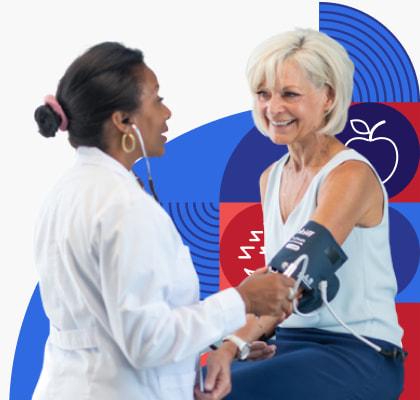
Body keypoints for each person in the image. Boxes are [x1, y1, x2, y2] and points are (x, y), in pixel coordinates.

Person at [32, 42, 296, 400]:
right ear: (124, 121)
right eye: (157, 99)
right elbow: (146, 340)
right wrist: (242, 300)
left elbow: (111, 328)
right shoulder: (123, 205)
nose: (167, 112)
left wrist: (213, 352)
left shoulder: (65, 193)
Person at [202, 28, 405, 400]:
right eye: (263, 94)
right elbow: (270, 288)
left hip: (358, 352)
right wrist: (249, 341)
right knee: (193, 383)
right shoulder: (270, 178)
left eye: (290, 94)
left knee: (222, 389)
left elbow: (297, 274)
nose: (273, 108)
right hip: (291, 343)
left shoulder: (350, 175)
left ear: (328, 96)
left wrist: (230, 345)